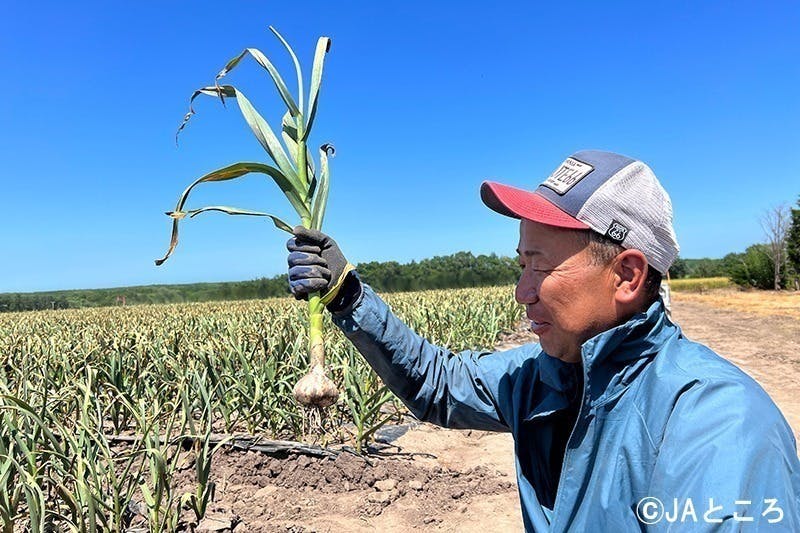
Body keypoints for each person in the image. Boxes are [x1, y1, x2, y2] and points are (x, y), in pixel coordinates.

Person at [286, 150, 800, 531]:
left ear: (626, 275)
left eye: (541, 266)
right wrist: (348, 297)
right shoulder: (544, 377)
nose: (521, 292)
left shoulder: (716, 424)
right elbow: (436, 383)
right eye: (521, 264)